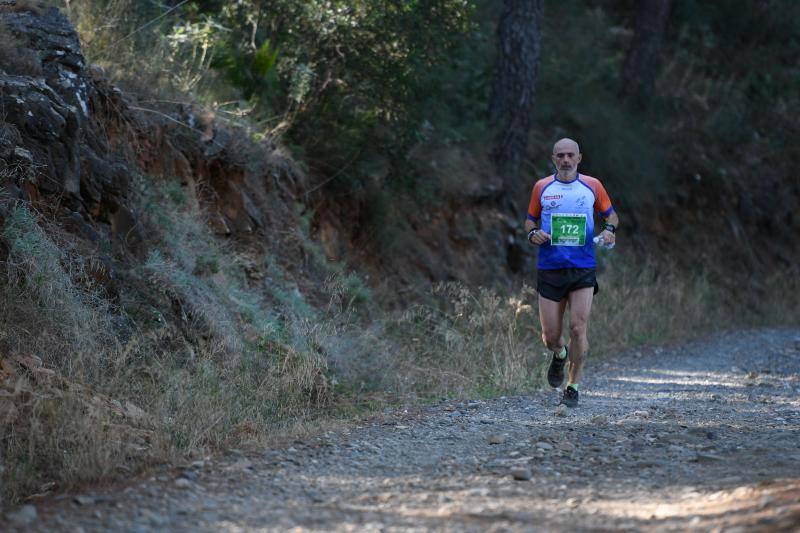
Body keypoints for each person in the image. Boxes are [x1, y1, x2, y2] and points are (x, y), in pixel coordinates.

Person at [524, 138, 618, 407]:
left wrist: (609, 231)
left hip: (582, 268)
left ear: (579, 158)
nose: (565, 160)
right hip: (550, 268)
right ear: (554, 158)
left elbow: (611, 216)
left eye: (570, 155)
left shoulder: (593, 186)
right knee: (550, 337)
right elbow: (530, 220)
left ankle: (573, 386)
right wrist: (533, 233)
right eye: (560, 155)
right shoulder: (542, 187)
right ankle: (560, 354)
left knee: (578, 328)